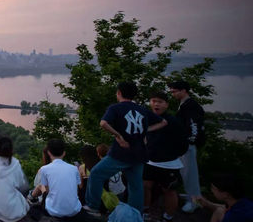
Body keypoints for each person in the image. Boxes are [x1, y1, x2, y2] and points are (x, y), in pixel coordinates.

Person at [84, 82, 168, 216]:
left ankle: (92, 206)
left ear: (119, 93)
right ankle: (135, 214)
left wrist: (118, 135)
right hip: (139, 154)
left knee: (96, 174)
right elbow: (163, 122)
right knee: (135, 185)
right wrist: (145, 130)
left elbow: (103, 123)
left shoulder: (116, 108)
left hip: (120, 154)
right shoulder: (142, 109)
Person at [143, 91, 188, 222]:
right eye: (153, 101)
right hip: (149, 161)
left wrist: (170, 154)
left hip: (169, 163)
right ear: (150, 103)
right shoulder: (148, 119)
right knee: (145, 186)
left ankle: (168, 216)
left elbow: (183, 144)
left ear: (166, 105)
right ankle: (145, 211)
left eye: (160, 102)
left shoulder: (173, 122)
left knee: (169, 190)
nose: (156, 104)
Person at [168, 80, 206, 213]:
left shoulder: (190, 106)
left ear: (183, 90)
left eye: (174, 91)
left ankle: (194, 201)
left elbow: (194, 127)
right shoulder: (185, 104)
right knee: (185, 172)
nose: (172, 94)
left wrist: (189, 141)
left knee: (190, 174)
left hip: (187, 146)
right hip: (184, 145)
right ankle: (192, 197)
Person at [30, 139, 85, 220]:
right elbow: (78, 188)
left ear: (48, 152)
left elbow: (45, 190)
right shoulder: (74, 168)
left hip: (54, 212)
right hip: (75, 210)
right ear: (64, 153)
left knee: (32, 210)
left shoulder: (44, 169)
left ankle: (30, 197)